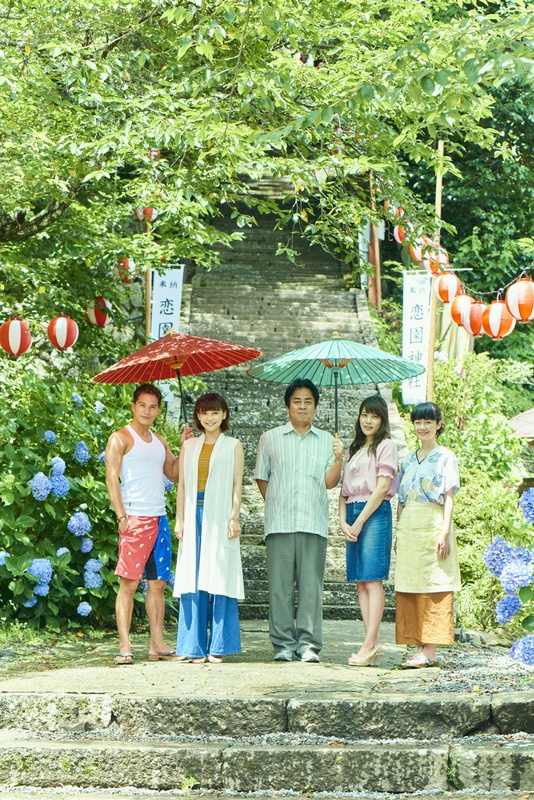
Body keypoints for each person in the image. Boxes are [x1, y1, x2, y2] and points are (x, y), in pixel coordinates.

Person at [255, 379, 344, 663]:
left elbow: (330, 482)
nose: (302, 406)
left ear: (315, 407)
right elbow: (262, 478)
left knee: (311, 589)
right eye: (297, 401)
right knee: (279, 588)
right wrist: (277, 502)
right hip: (279, 523)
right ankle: (283, 644)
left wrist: (339, 459)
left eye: (308, 401)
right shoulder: (270, 438)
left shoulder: (328, 442)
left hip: (313, 522)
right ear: (287, 406)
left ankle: (308, 645)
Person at [105, 382, 188, 666]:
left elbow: (173, 474)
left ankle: (157, 644)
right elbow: (111, 478)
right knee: (129, 585)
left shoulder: (159, 441)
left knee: (158, 585)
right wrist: (121, 517)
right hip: (134, 519)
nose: (147, 411)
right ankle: (125, 645)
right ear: (133, 406)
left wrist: (185, 447)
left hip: (159, 518)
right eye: (142, 405)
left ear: (158, 410)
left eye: (153, 407)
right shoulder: (120, 438)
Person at [173, 393, 244, 663]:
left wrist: (234, 517)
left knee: (220, 577)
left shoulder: (233, 445)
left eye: (215, 412)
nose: (210, 418)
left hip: (220, 515)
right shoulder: (189, 446)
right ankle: (193, 647)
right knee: (193, 577)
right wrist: (180, 519)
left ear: (224, 414)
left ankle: (218, 646)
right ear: (198, 416)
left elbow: (237, 484)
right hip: (194, 513)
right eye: (204, 413)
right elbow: (181, 485)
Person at [395, 401, 460, 669]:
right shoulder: (407, 460)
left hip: (433, 522)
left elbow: (449, 496)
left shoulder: (446, 456)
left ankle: (429, 650)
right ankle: (417, 646)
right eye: (418, 422)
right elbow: (400, 500)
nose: (422, 427)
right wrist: (398, 531)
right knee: (410, 583)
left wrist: (445, 531)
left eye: (428, 422)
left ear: (438, 424)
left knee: (434, 583)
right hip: (410, 525)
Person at [339, 395, 399, 667]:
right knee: (360, 582)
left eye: (374, 416)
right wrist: (343, 521)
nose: (368, 420)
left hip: (374, 514)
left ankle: (369, 643)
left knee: (373, 580)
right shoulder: (353, 449)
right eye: (365, 414)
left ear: (382, 419)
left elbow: (382, 487)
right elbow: (343, 492)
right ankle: (371, 642)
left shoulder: (386, 446)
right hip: (353, 512)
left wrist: (360, 521)